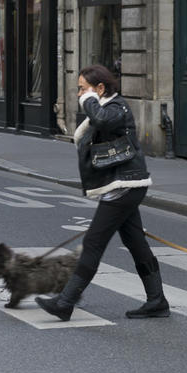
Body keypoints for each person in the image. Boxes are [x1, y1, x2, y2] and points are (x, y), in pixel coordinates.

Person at [36, 64, 169, 321]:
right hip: (124, 186)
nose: (79, 94)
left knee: (93, 243)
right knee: (135, 242)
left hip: (124, 187)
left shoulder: (116, 108)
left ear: (100, 88)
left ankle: (65, 302)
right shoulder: (106, 109)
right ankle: (157, 300)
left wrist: (89, 100)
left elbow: (102, 120)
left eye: (82, 89)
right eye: (78, 90)